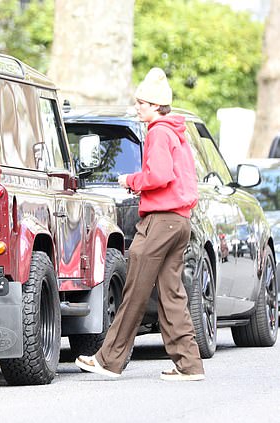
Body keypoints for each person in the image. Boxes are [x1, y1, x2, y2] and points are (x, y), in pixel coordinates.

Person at [75, 67, 205, 381]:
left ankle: (108, 360)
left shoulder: (159, 132)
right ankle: (189, 364)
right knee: (172, 295)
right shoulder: (177, 132)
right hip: (180, 222)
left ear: (157, 105)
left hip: (161, 222)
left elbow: (160, 176)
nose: (138, 107)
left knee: (134, 291)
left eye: (142, 104)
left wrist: (131, 180)